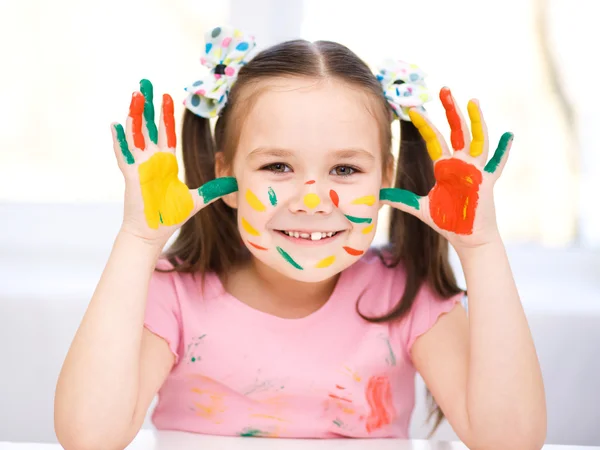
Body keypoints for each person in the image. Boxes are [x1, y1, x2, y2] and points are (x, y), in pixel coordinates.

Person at [54, 25, 546, 450]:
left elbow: (510, 441)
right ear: (226, 174)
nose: (313, 199)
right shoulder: (176, 295)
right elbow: (89, 437)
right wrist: (138, 239)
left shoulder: (407, 295)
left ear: (386, 178)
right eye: (278, 166)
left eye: (346, 168)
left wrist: (480, 248)